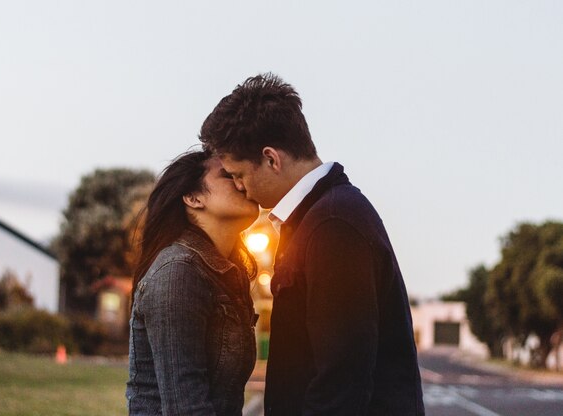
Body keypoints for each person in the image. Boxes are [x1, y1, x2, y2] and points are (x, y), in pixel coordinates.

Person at [199, 74, 425, 415]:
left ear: (272, 159)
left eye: (239, 175)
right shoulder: (316, 219)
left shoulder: (332, 224)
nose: (238, 187)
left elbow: (341, 380)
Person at [126, 150, 260, 415]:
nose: (242, 182)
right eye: (228, 175)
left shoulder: (227, 274)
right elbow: (186, 408)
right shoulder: (178, 271)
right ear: (193, 198)